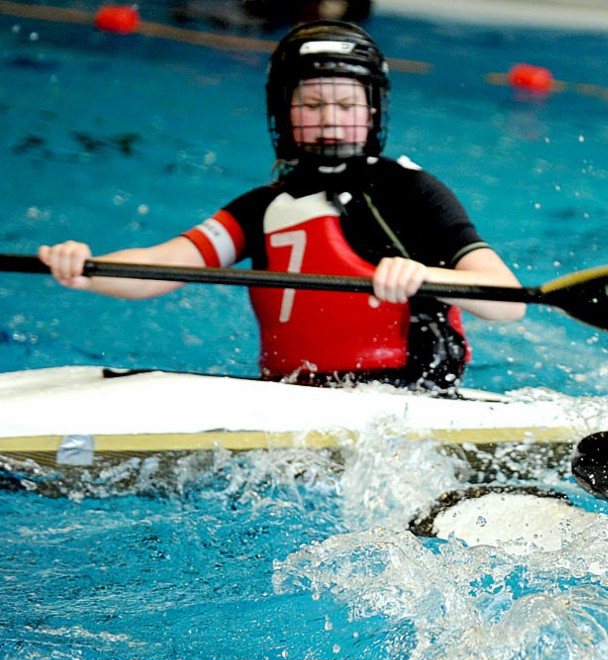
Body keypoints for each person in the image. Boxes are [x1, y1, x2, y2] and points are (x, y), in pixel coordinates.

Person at [36, 20, 523, 391]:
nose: (329, 120)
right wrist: (88, 268)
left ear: (372, 112)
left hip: (410, 396)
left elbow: (508, 303)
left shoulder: (411, 192)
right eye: (311, 105)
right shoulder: (262, 208)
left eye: (347, 106)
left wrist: (425, 276)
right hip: (290, 397)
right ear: (284, 114)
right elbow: (165, 265)